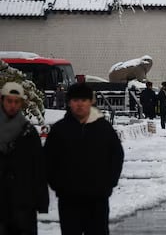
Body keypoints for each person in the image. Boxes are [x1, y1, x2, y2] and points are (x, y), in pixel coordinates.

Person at [44, 82, 124, 235]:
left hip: (97, 198)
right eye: (75, 100)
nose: (80, 104)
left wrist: (109, 183)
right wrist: (58, 185)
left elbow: (116, 156)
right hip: (69, 199)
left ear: (90, 102)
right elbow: (49, 160)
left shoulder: (103, 128)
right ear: (69, 102)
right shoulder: (60, 129)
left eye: (83, 100)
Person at [0, 81, 49, 234]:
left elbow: (38, 168)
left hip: (24, 204)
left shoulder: (28, 133)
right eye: (9, 101)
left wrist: (41, 201)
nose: (12, 105)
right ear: (2, 100)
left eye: (16, 101)